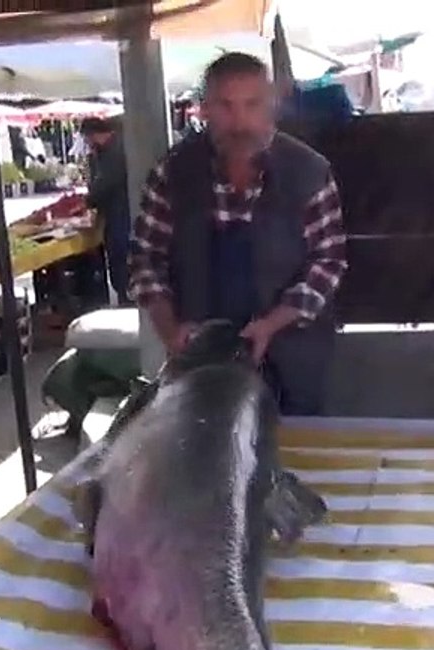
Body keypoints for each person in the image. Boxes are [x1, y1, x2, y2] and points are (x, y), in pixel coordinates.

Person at [128, 52, 348, 416]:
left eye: (252, 104)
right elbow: (145, 260)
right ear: (204, 109)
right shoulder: (172, 173)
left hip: (293, 352)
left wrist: (272, 323)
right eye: (226, 106)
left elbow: (329, 262)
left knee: (291, 452)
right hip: (201, 357)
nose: (240, 120)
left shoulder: (309, 172)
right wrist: (170, 330)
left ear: (272, 105)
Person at [79, 116, 132, 305]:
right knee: (118, 254)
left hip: (121, 211)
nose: (87, 143)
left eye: (87, 138)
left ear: (94, 135)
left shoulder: (115, 151)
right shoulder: (104, 151)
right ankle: (125, 294)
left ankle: (127, 296)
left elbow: (107, 182)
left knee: (120, 253)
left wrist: (88, 201)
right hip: (115, 211)